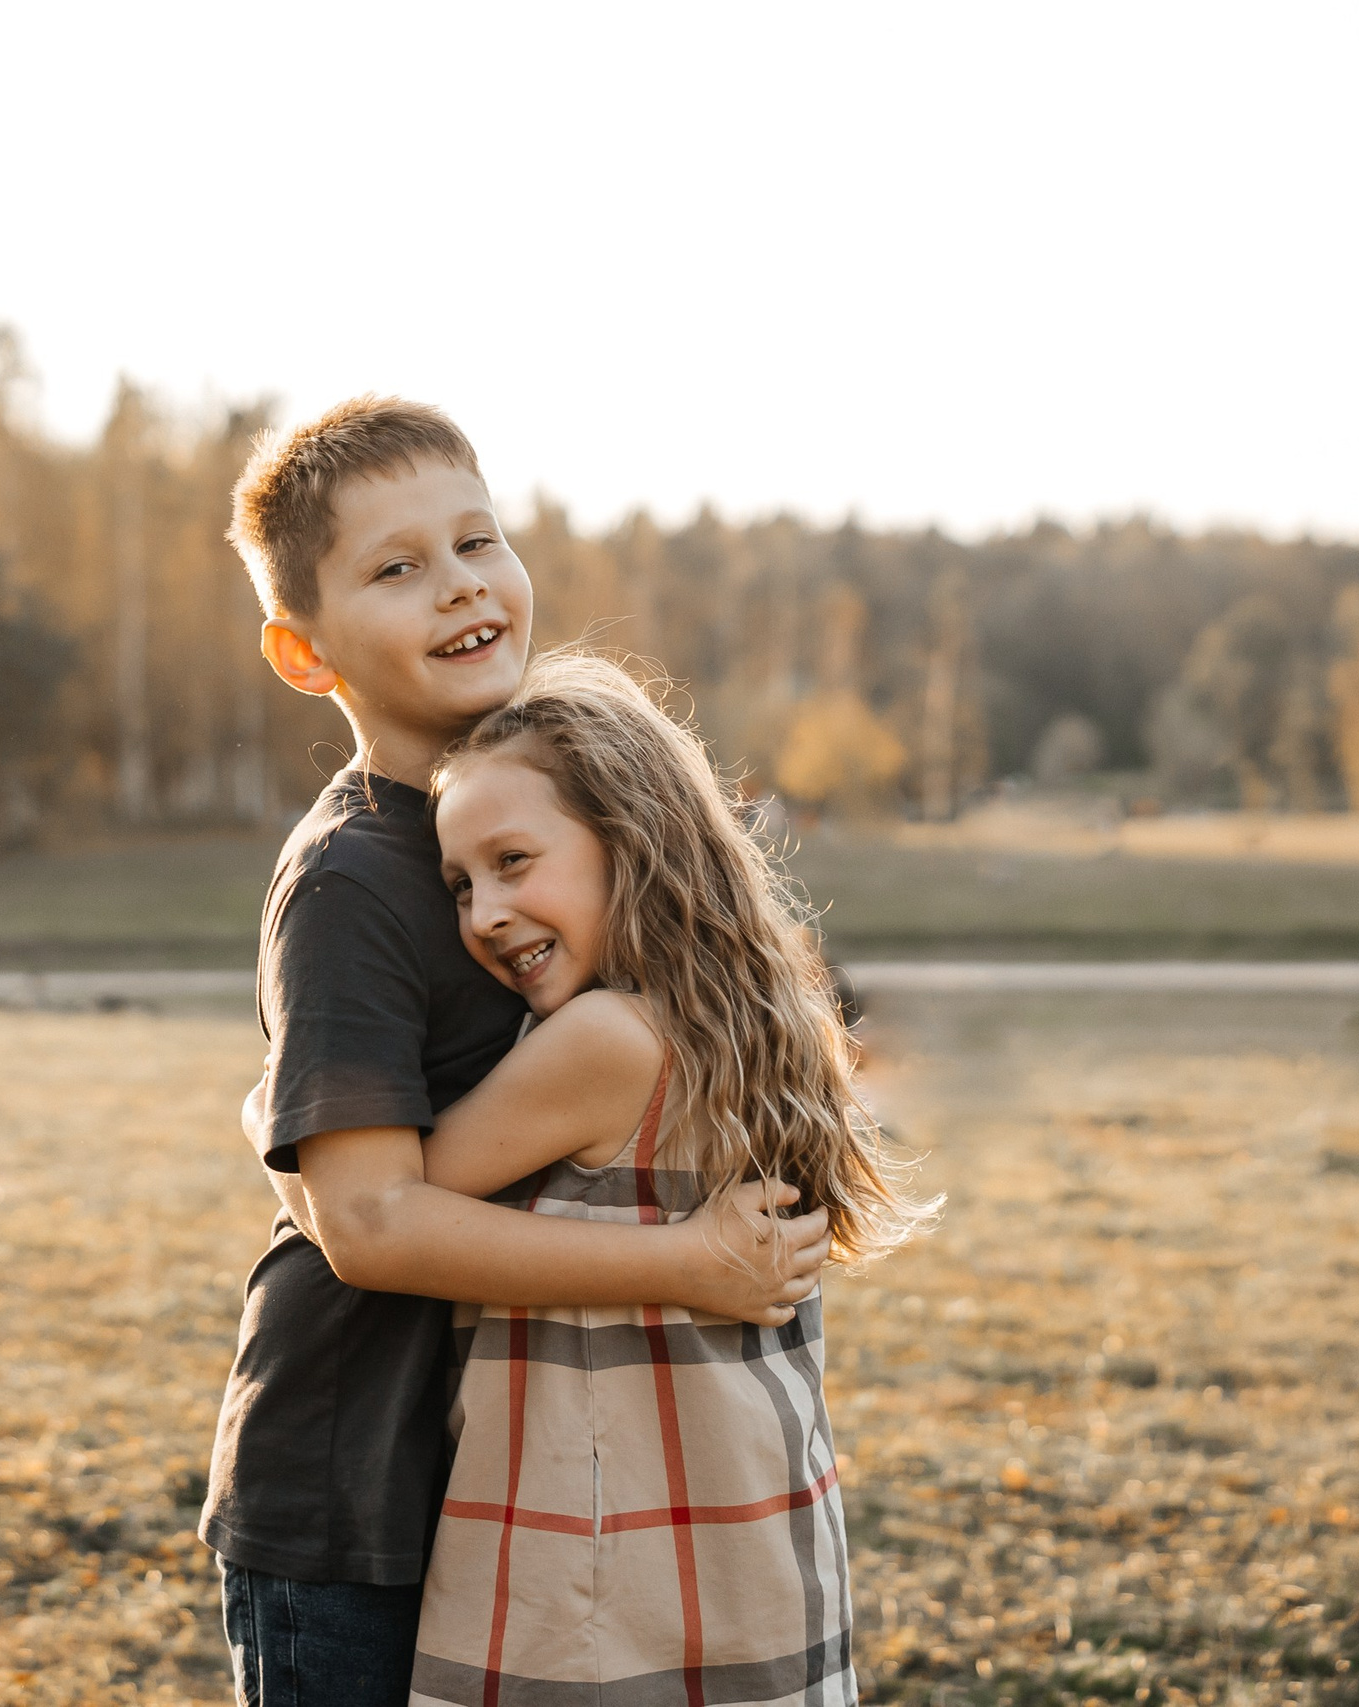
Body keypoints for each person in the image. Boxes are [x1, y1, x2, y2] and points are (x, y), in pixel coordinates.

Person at [202, 397, 834, 1707]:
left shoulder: (547, 808)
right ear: (303, 651)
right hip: (363, 1486)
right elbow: (367, 1224)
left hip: (527, 1466)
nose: (458, 587)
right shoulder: (355, 879)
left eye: (477, 540)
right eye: (396, 567)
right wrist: (688, 1263)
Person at [406, 651, 939, 1706]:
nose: (483, 914)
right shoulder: (756, 1022)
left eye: (514, 861)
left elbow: (387, 1199)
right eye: (461, 885)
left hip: (603, 1585)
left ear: (632, 842)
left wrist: (280, 1112)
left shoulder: (605, 1041)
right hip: (750, 1547)